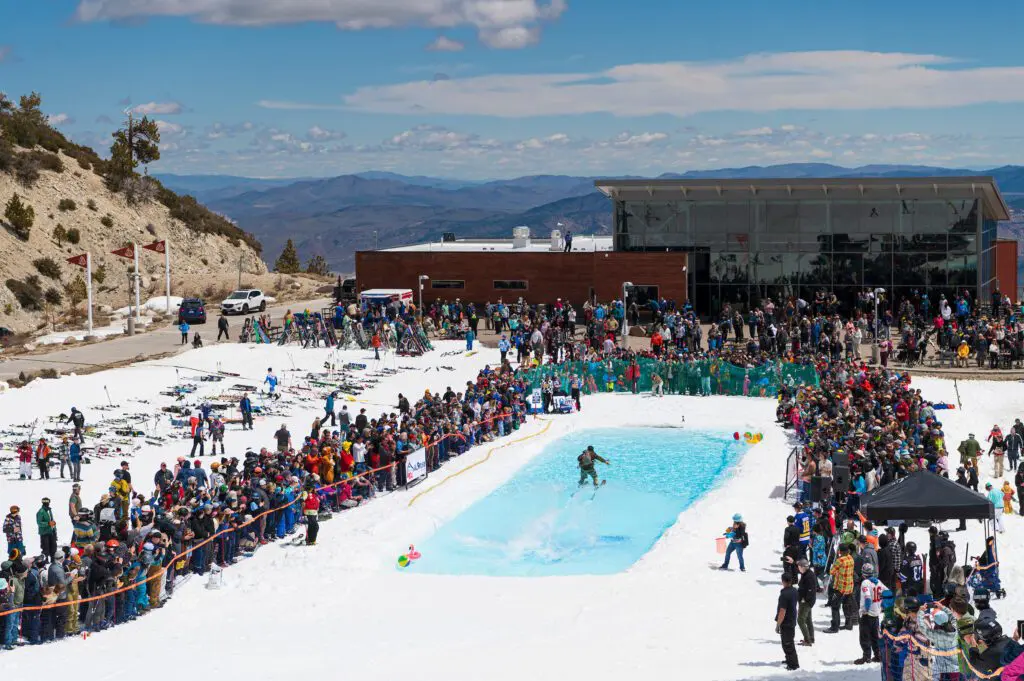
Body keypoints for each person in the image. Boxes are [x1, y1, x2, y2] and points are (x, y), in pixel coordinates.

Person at [855, 562, 886, 664]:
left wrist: (865, 610)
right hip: (876, 614)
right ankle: (877, 655)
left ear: (863, 573)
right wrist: (882, 605)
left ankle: (866, 657)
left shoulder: (865, 583)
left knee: (864, 637)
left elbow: (867, 599)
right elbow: (889, 593)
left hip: (867, 615)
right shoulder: (878, 582)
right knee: (875, 636)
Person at [776, 572, 800, 671]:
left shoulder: (784, 594)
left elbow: (782, 611)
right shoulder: (794, 590)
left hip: (786, 622)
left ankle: (793, 664)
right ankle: (789, 659)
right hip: (792, 619)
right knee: (786, 642)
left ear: (783, 581)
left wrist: (778, 624)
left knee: (788, 644)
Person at [796, 558, 816, 647]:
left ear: (803, 567)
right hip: (806, 600)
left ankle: (808, 640)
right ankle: (811, 638)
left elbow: (811, 590)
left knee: (800, 620)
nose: (798, 568)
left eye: (799, 567)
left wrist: (805, 599)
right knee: (808, 619)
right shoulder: (806, 573)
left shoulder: (809, 576)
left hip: (806, 602)